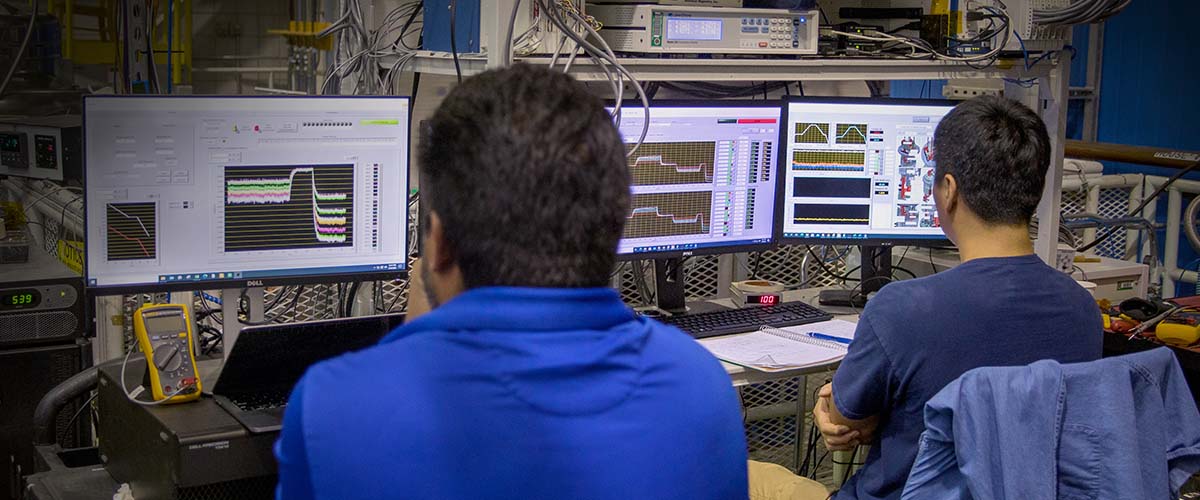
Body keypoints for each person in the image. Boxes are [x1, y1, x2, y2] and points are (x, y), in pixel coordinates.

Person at [274, 64, 749, 500]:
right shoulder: (701, 388)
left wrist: (413, 336)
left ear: (437, 244)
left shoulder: (333, 407)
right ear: (614, 227)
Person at [813, 95, 1103, 500]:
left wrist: (827, 398)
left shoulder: (900, 309)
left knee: (757, 477)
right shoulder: (1083, 309)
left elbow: (846, 422)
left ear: (948, 190)